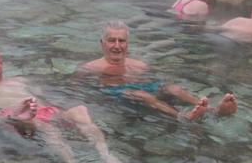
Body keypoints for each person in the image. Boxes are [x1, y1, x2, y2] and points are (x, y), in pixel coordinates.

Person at [0, 46, 128, 163]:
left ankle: (106, 155)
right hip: (17, 119)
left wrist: (61, 116)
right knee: (47, 128)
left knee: (80, 110)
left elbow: (45, 97)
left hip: (44, 111)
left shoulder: (19, 80)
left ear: (1, 63)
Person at [79, 21, 237, 120]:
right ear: (102, 43)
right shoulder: (90, 68)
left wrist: (163, 90)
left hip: (142, 90)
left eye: (122, 41)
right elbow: (76, 89)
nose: (117, 46)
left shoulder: (139, 65)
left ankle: (212, 110)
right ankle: (182, 116)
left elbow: (155, 82)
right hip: (116, 94)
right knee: (142, 95)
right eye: (112, 40)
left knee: (172, 88)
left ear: (128, 43)